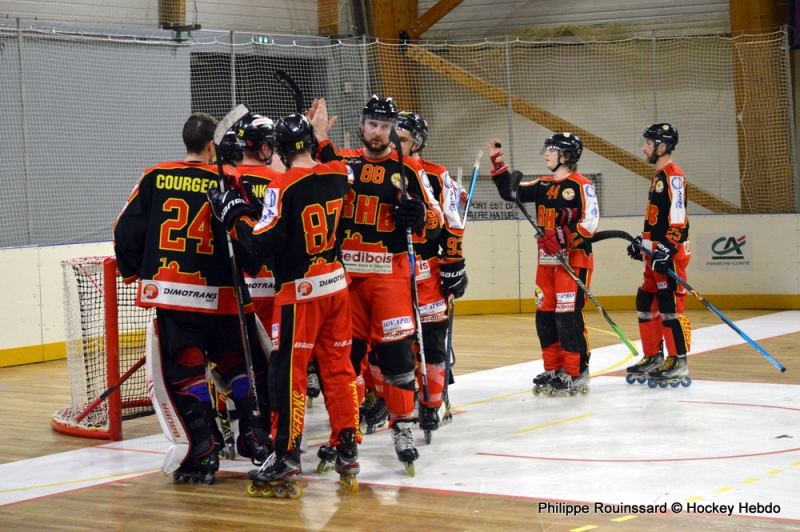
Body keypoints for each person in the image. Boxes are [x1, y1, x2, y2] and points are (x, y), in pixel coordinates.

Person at [113, 112, 272, 484]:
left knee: (185, 374)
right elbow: (249, 237)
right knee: (238, 365)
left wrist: (137, 269)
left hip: (173, 295)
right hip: (224, 297)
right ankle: (254, 436)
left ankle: (203, 449)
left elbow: (124, 230)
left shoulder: (154, 176)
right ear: (212, 146)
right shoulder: (230, 179)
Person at [208, 113, 361, 496]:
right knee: (339, 368)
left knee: (287, 373)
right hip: (336, 284)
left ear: (277, 148)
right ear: (311, 142)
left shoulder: (281, 184)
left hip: (301, 292)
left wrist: (234, 215)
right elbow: (335, 171)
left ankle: (286, 452)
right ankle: (347, 446)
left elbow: (260, 243)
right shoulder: (339, 173)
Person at [308, 95, 444, 473]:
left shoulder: (408, 169)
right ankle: (344, 434)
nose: (378, 133)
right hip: (346, 279)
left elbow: (436, 221)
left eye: (385, 127)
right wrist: (316, 133)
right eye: (372, 124)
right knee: (343, 362)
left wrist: (419, 216)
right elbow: (309, 166)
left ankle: (402, 426)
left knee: (398, 358)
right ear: (363, 124)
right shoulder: (344, 163)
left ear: (393, 130)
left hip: (390, 278)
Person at [489, 133, 598, 396]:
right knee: (545, 318)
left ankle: (576, 371)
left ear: (567, 156)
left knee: (567, 318)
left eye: (552, 150)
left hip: (573, 262)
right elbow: (510, 193)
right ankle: (554, 367)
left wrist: (563, 235)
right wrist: (498, 164)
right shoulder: (543, 184)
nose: (546, 154)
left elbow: (590, 223)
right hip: (546, 263)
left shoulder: (582, 185)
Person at [396, 111, 467, 435]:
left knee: (434, 341)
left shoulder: (438, 176)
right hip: (392, 272)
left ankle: (435, 402)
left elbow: (453, 221)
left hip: (428, 271)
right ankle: (395, 401)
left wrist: (453, 265)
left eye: (404, 138)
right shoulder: (380, 171)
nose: (396, 143)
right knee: (396, 344)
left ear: (419, 142)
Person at [625, 123, 691, 384]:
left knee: (670, 306)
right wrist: (643, 241)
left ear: (662, 147)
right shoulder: (658, 176)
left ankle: (678, 361)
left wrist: (666, 248)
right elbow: (658, 220)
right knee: (645, 302)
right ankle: (653, 356)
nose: (644, 147)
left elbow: (678, 221)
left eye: (648, 143)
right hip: (655, 254)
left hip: (670, 256)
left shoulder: (673, 176)